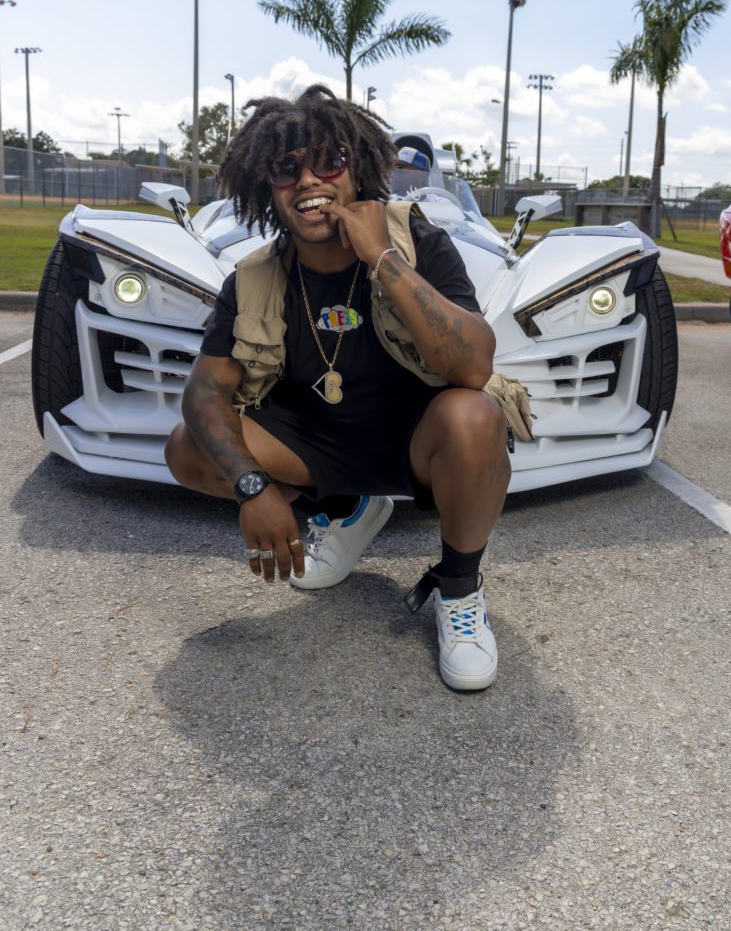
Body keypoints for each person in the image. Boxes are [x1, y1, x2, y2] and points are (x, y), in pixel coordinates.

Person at [165, 84, 531, 691]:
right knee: (187, 447)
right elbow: (204, 395)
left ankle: (459, 588)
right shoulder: (255, 278)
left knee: (475, 417)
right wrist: (253, 487)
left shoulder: (417, 241)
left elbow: (473, 366)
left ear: (356, 170)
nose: (309, 180)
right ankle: (345, 510)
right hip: (315, 440)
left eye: (329, 161)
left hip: (416, 436)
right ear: (267, 188)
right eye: (287, 168)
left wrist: (383, 258)